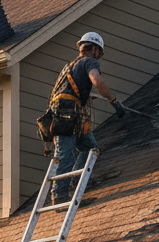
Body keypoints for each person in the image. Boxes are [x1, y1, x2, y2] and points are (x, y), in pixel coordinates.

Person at [49, 31, 126, 203]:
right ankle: (60, 196)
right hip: (69, 117)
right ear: (95, 50)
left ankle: (77, 184)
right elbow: (97, 81)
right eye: (99, 53)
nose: (99, 57)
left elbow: (62, 94)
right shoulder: (90, 62)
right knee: (66, 157)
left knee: (91, 149)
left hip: (66, 116)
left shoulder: (70, 67)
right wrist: (114, 101)